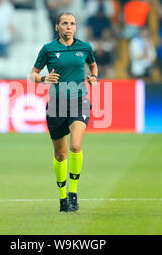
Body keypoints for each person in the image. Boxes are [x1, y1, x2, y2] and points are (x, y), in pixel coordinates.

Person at [30, 12, 98, 212]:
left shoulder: (84, 47)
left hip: (79, 101)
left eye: (72, 24)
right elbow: (33, 73)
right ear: (57, 27)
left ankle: (73, 194)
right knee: (60, 155)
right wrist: (43, 79)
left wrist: (94, 77)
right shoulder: (48, 49)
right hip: (57, 105)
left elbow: (93, 66)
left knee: (75, 146)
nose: (69, 27)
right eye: (65, 23)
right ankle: (62, 198)